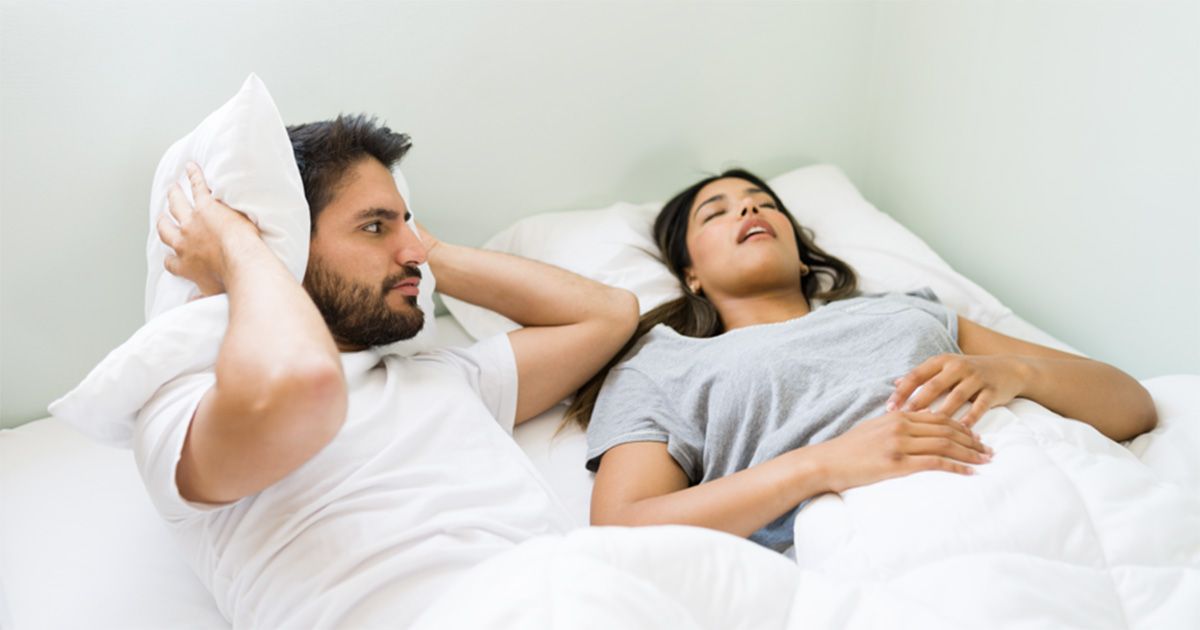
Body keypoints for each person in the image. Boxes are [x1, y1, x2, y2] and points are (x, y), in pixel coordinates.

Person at [139, 115, 638, 628]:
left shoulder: (442, 377)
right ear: (285, 245)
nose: (414, 252)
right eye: (374, 226)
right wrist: (239, 251)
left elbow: (609, 315)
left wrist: (433, 253)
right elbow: (304, 388)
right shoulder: (178, 412)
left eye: (408, 225)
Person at [569, 168, 1157, 553]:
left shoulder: (906, 310)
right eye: (716, 212)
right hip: (879, 531)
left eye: (764, 204)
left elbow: (1134, 406)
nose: (748, 212)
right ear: (690, 273)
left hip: (1034, 475)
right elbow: (622, 526)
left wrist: (1014, 373)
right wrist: (820, 465)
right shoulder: (664, 364)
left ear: (802, 256)